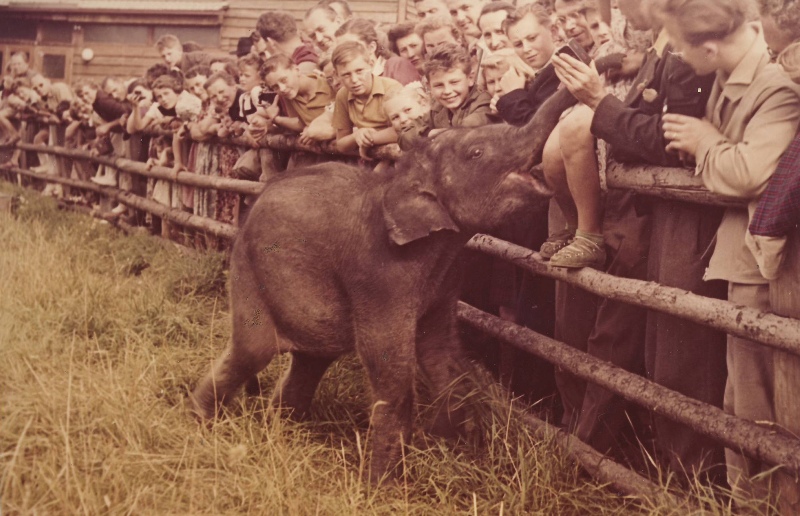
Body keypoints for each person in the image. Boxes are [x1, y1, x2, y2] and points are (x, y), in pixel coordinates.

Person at [552, 0, 727, 483]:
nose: (623, 10)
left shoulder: (696, 39)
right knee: (657, 353)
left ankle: (694, 486)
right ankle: (670, 475)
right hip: (655, 211)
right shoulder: (662, 43)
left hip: (688, 215)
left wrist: (599, 103)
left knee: (681, 358)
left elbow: (669, 140)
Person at [659, 0, 800, 502]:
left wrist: (705, 143)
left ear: (710, 45)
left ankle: (766, 505)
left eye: (679, 43)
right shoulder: (730, 78)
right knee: (741, 400)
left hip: (765, 272)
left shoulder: (776, 90)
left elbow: (750, 172)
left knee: (761, 408)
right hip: (742, 259)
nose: (675, 53)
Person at [331, 41, 402, 157]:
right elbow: (341, 144)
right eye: (346, 75)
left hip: (397, 156)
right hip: (370, 158)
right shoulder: (343, 95)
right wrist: (356, 135)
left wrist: (367, 139)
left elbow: (403, 131)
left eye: (359, 71)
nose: (354, 80)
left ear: (371, 64)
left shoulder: (391, 88)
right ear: (336, 74)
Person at [493, 3, 560, 126]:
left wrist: (513, 95)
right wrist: (503, 104)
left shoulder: (562, 69)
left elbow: (537, 129)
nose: (526, 49)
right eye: (518, 44)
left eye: (532, 38)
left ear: (553, 32)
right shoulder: (537, 72)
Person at [258, 53, 335, 145]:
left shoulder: (329, 83)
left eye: (284, 80)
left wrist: (313, 129)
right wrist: (276, 118)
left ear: (296, 70)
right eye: (275, 87)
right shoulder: (289, 94)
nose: (282, 88)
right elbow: (299, 122)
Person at [335, 18, 421, 85]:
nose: (346, 53)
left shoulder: (396, 66)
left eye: (352, 47)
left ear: (371, 47)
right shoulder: (349, 78)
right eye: (341, 49)